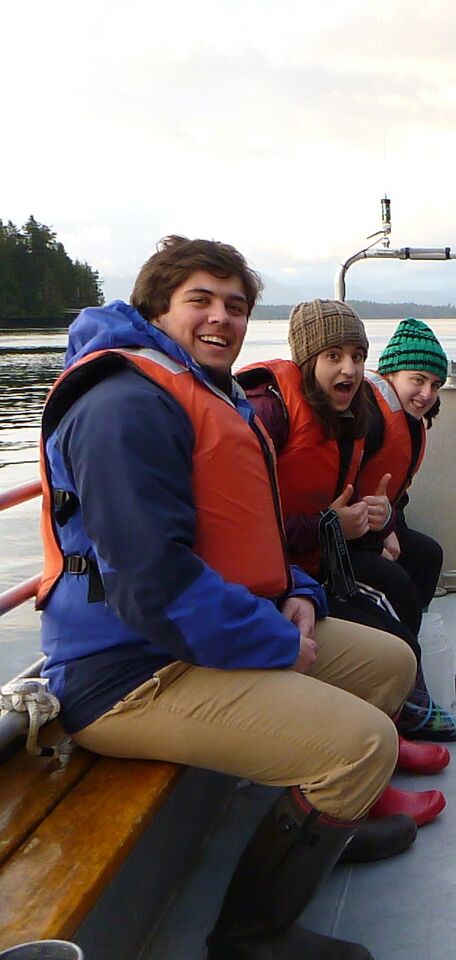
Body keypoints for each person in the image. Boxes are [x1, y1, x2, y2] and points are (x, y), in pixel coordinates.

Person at [36, 236, 419, 960]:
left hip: (198, 638)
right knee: (360, 746)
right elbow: (149, 583)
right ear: (157, 308)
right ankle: (252, 938)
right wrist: (272, 640)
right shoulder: (122, 405)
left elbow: (244, 533)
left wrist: (298, 593)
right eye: (200, 302)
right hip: (129, 674)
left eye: (236, 306)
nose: (222, 319)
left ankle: (333, 827)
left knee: (387, 664)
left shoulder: (204, 389)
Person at [238, 301, 456, 744]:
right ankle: (408, 693)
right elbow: (242, 524)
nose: (348, 368)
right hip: (296, 560)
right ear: (307, 359)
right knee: (393, 589)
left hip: (324, 542)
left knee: (426, 556)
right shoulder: (271, 414)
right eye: (334, 356)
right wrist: (344, 528)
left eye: (356, 357)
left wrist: (385, 520)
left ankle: (412, 676)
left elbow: (378, 488)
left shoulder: (348, 413)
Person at [353, 319, 452, 691]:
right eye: (418, 379)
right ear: (391, 373)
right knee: (398, 585)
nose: (427, 393)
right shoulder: (369, 416)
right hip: (343, 536)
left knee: (427, 557)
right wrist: (382, 537)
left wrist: (391, 526)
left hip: (376, 526)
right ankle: (405, 684)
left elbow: (396, 494)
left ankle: (414, 662)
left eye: (435, 384)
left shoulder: (409, 421)